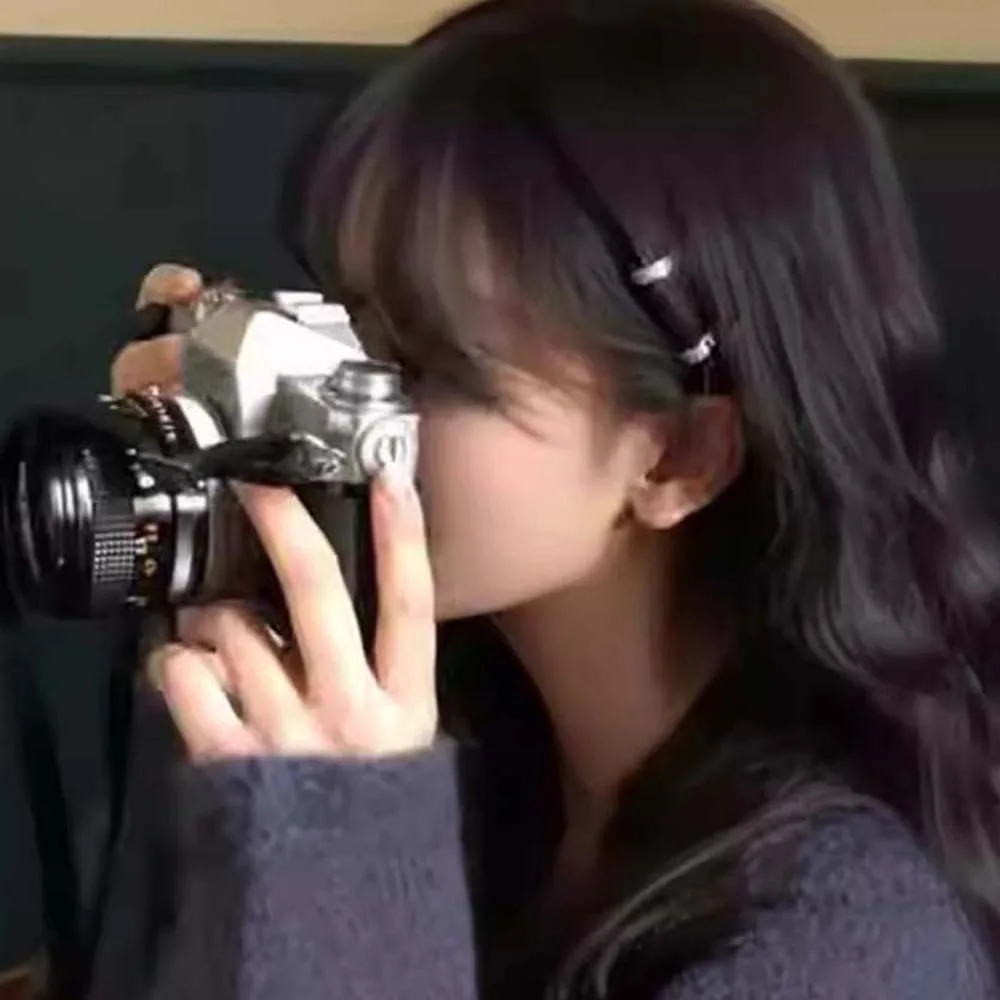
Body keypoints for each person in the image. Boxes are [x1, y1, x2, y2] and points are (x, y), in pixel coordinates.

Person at [91, 0, 1000, 997]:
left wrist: (330, 835)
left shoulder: (852, 952)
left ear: (677, 457)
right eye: (340, 322)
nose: (330, 395)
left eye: (420, 362)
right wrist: (215, 664)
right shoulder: (482, 766)